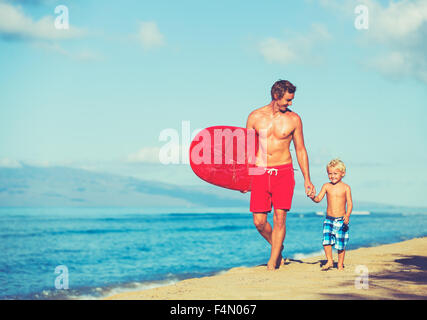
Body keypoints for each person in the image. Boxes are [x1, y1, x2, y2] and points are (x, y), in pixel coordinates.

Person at [244, 79, 315, 270]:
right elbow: (248, 151)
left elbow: (300, 149)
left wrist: (307, 179)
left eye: (292, 100)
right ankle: (278, 246)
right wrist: (245, 179)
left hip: (283, 172)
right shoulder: (254, 117)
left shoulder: (294, 119)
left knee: (279, 218)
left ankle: (272, 263)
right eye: (287, 100)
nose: (290, 103)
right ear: (276, 96)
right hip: (260, 172)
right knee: (259, 222)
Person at [309, 159, 353, 271]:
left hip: (341, 220)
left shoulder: (346, 187)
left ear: (342, 173)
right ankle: (329, 261)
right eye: (330, 173)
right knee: (326, 241)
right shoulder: (326, 186)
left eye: (335, 173)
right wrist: (312, 196)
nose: (332, 176)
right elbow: (318, 199)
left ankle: (340, 265)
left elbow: (350, 203)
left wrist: (347, 215)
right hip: (329, 219)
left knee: (340, 244)